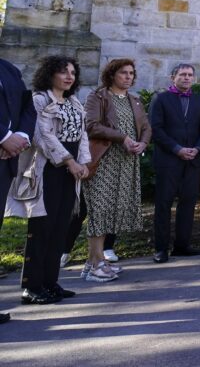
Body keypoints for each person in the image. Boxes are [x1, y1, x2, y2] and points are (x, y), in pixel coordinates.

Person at [6, 56, 90, 304]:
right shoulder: (39, 99)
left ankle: (50, 282)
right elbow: (43, 136)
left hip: (72, 169)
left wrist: (84, 161)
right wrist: (69, 160)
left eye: (73, 72)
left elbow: (82, 133)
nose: (69, 76)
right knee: (42, 227)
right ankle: (31, 287)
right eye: (63, 72)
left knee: (61, 226)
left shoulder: (74, 101)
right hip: (48, 168)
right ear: (49, 74)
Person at [83, 58, 151, 283]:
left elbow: (145, 127)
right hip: (104, 160)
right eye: (124, 73)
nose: (129, 77)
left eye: (131, 73)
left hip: (127, 161)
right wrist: (122, 137)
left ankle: (93, 261)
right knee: (100, 210)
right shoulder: (98, 96)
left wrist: (142, 143)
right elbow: (91, 125)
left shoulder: (135, 100)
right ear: (112, 75)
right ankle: (97, 264)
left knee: (113, 210)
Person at [148, 63, 200, 263]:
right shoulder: (160, 99)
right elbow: (156, 130)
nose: (187, 78)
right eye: (182, 74)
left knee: (188, 203)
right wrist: (177, 149)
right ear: (173, 77)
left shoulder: (199, 100)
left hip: (192, 161)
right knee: (164, 205)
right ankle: (161, 249)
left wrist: (198, 149)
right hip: (168, 161)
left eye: (190, 75)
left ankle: (182, 246)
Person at [0, 58, 37, 323]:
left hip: (5, 161)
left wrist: (21, 136)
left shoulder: (9, 68)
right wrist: (3, 137)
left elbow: (27, 104)